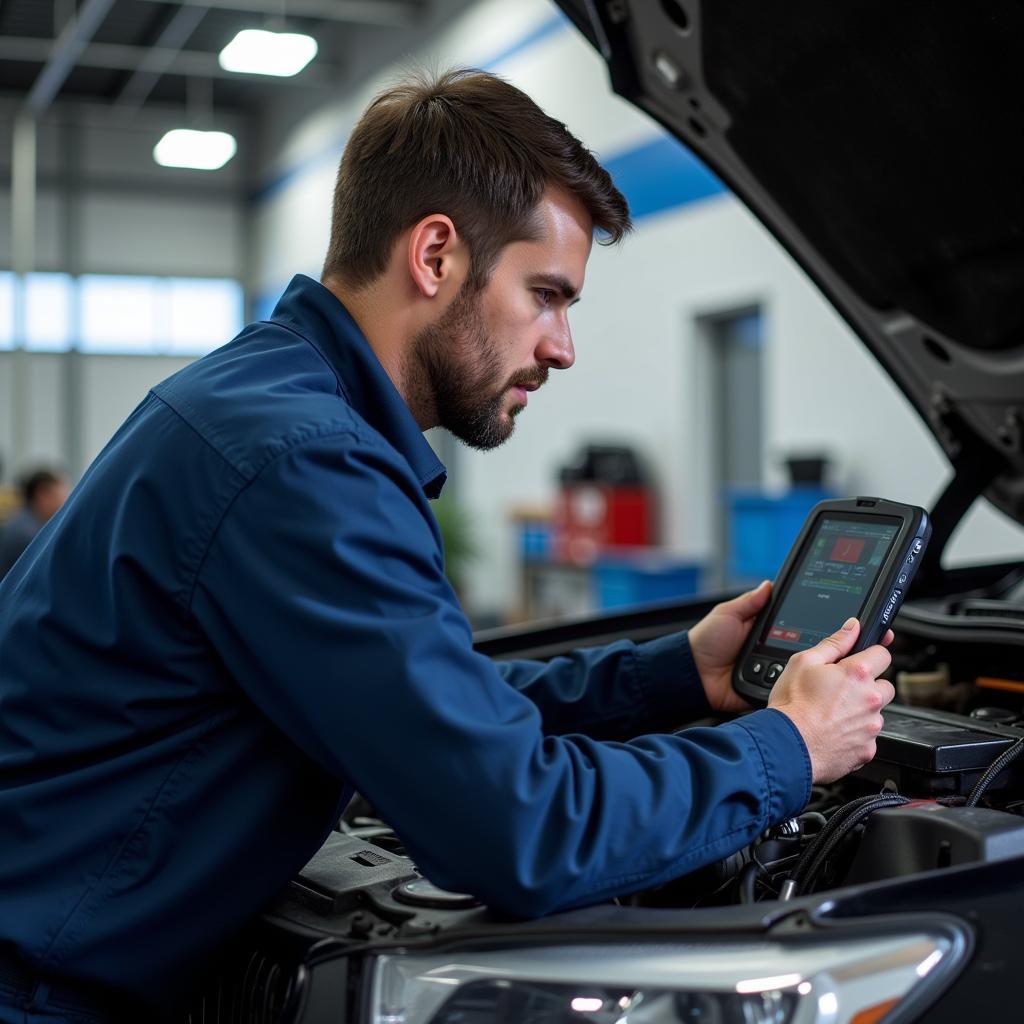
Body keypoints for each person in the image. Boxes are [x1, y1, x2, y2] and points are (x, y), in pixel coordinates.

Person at [0, 69, 894, 1023]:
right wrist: (788, 747)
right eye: (547, 294)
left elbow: (431, 704)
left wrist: (677, 674)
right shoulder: (303, 463)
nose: (564, 347)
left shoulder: (269, 403)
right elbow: (521, 828)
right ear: (435, 255)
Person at [0, 467, 69, 580]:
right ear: (43, 493)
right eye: (61, 494)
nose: (65, 501)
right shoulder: (28, 534)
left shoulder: (25, 522)